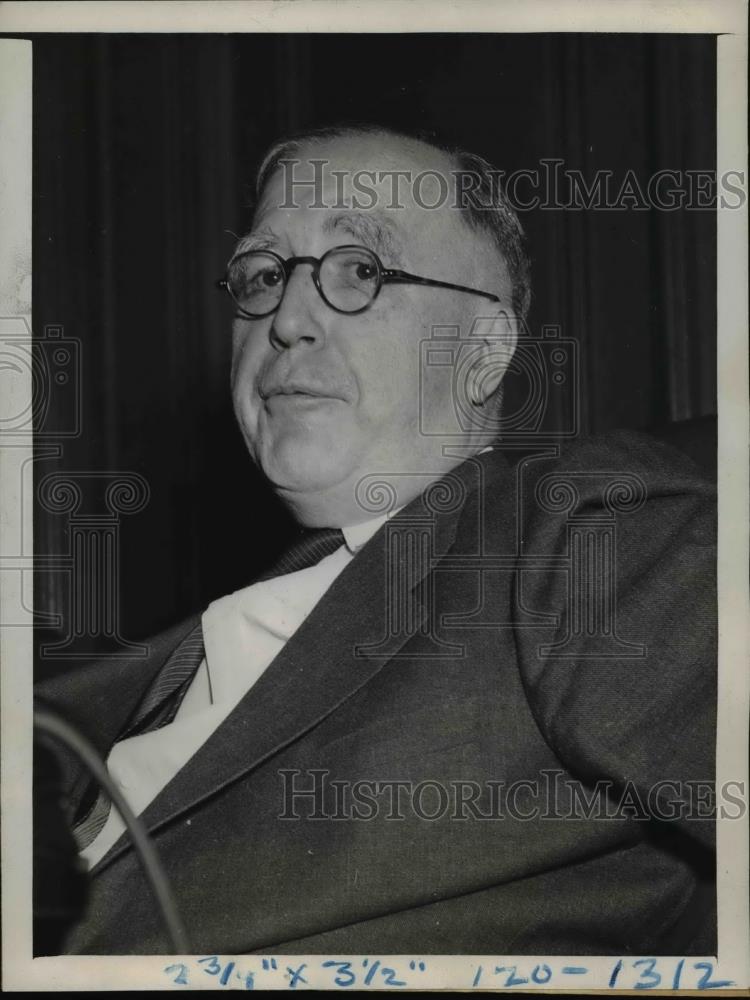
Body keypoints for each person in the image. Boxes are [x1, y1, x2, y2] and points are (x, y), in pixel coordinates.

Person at [34, 124, 717, 956]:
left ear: (482, 349)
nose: (285, 318)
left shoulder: (574, 535)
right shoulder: (163, 657)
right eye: (261, 274)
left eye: (359, 268)